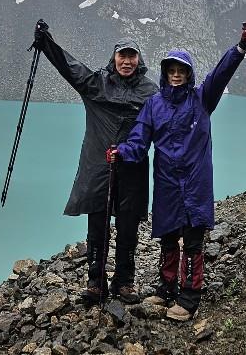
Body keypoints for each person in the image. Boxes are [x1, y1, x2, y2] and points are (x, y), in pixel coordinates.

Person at [107, 25, 246, 321]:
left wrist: (239, 48)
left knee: (192, 239)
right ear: (165, 73)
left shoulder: (202, 99)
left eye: (181, 71)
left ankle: (189, 296)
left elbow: (220, 74)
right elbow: (139, 140)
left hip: (195, 180)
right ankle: (166, 289)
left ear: (189, 74)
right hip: (167, 182)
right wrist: (121, 152)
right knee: (168, 236)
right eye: (172, 70)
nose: (176, 75)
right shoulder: (154, 105)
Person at [33, 20, 158, 305]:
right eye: (122, 55)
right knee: (97, 224)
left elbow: (165, 121)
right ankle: (96, 282)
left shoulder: (150, 92)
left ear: (138, 60)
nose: (126, 61)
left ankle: (124, 282)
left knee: (128, 226)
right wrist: (46, 43)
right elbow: (70, 68)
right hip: (99, 164)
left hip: (132, 166)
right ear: (114, 58)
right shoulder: (97, 83)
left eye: (132, 56)